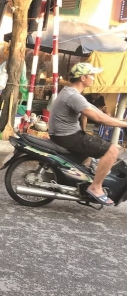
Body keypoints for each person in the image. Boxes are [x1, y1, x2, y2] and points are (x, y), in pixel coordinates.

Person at [49, 62, 127, 206]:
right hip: (67, 136)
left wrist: (121, 121)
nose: (94, 78)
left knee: (93, 154)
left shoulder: (72, 93)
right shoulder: (73, 96)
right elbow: (99, 119)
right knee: (112, 150)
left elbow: (100, 113)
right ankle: (96, 187)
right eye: (92, 75)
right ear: (83, 78)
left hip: (65, 134)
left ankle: (84, 182)